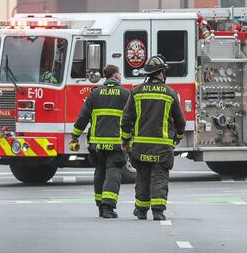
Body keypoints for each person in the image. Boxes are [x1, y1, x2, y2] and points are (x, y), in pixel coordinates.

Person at [121, 55, 186, 221]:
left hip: (140, 146)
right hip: (163, 147)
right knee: (159, 177)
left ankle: (141, 210)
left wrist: (125, 140)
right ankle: (158, 211)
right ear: (161, 72)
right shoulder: (170, 93)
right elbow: (180, 120)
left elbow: (127, 118)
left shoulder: (136, 92)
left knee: (142, 177)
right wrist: (177, 137)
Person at [71, 65, 130, 218]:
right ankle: (108, 207)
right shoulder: (125, 94)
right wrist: (129, 139)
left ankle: (100, 205)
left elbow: (83, 116)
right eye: (119, 74)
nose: (120, 76)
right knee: (114, 173)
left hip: (97, 144)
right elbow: (132, 118)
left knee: (100, 172)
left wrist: (75, 135)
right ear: (116, 76)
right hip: (117, 143)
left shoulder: (95, 93)